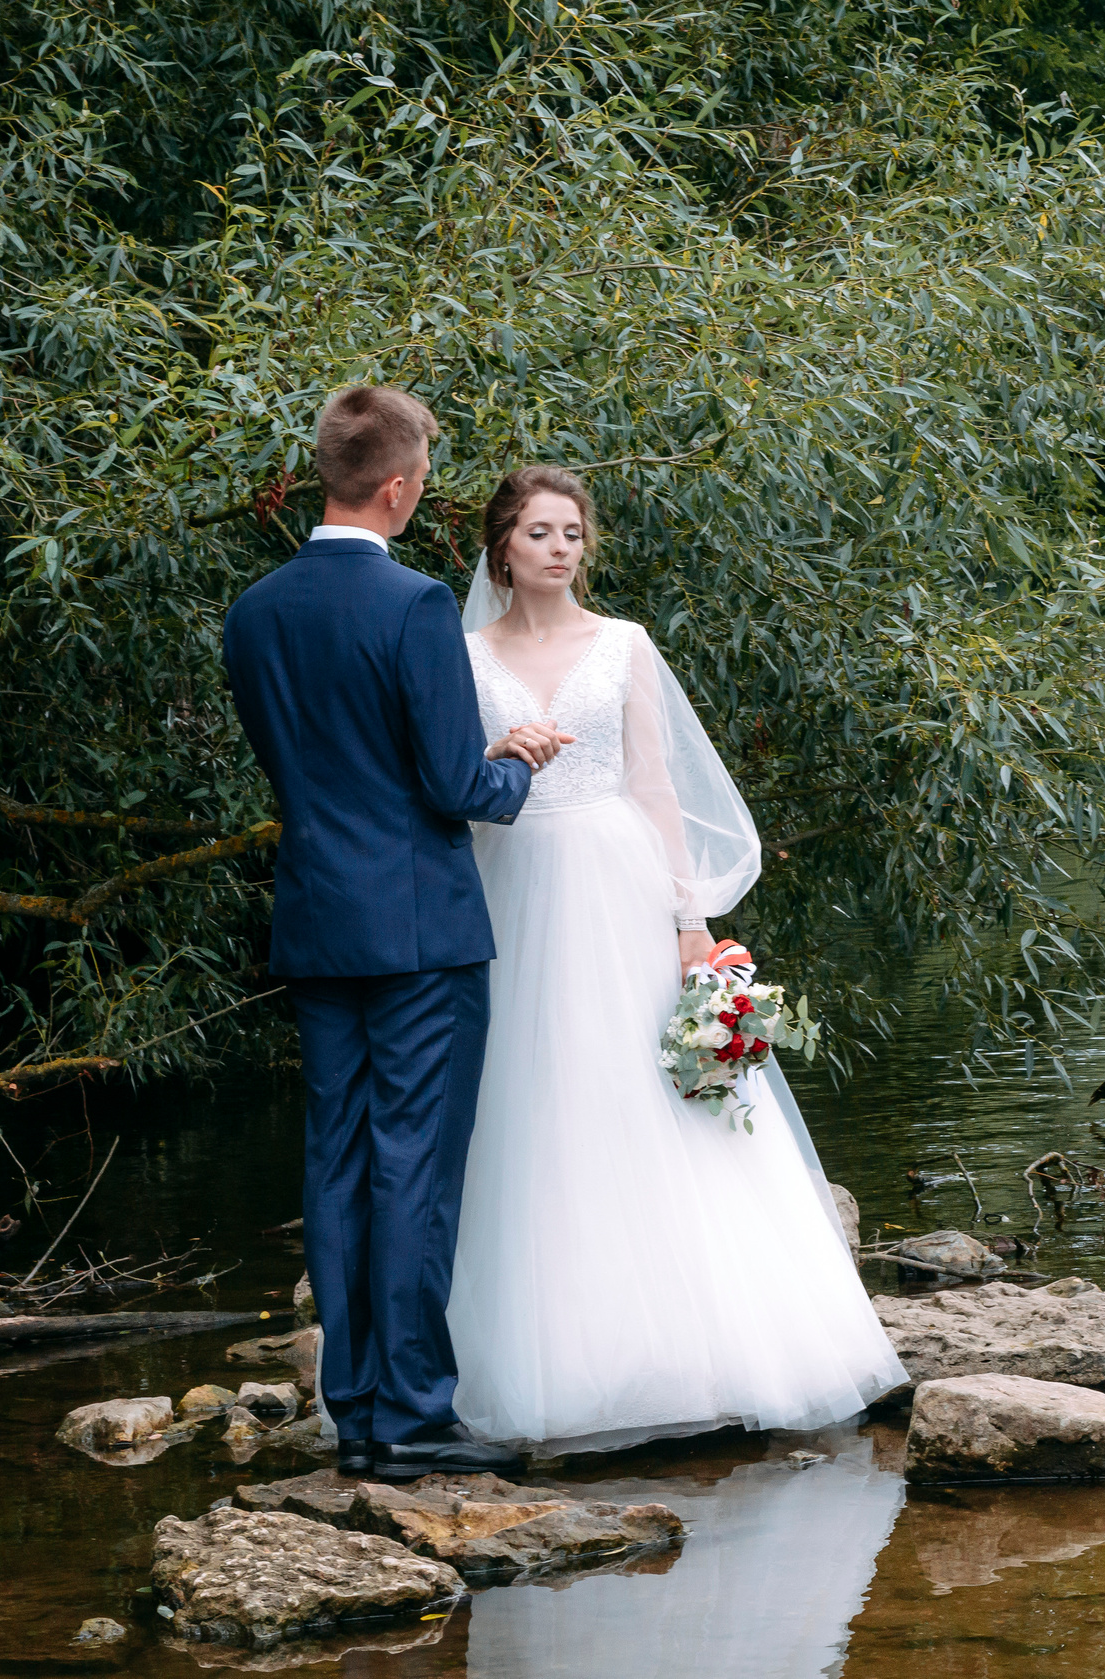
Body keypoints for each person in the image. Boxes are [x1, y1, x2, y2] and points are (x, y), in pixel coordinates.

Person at [445, 465, 907, 1453]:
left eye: (572, 531)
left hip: (617, 885)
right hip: (514, 885)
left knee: (647, 1090)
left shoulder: (625, 646)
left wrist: (687, 917)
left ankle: (713, 1345)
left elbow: (652, 782)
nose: (560, 547)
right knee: (535, 1101)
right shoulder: (464, 654)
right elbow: (453, 782)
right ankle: (554, 1354)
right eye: (537, 531)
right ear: (501, 549)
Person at [222, 388, 571, 1480]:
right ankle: (413, 1415)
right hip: (419, 930)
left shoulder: (254, 610)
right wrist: (514, 760)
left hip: (319, 919)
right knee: (414, 1167)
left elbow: (309, 766)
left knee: (337, 1162)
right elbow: (450, 782)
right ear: (399, 486)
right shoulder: (416, 605)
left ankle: (354, 1408)